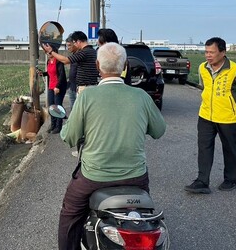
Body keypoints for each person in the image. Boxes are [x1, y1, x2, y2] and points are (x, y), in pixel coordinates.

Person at [58, 42, 166, 250]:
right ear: (125, 65)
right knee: (144, 215)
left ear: (98, 65)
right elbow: (159, 130)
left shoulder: (87, 96)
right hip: (135, 176)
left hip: (94, 177)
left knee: (69, 214)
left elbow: (69, 136)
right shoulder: (141, 96)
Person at [185, 37, 236, 194]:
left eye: (212, 52)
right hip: (205, 115)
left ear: (223, 52)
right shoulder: (203, 68)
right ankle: (202, 181)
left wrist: (234, 105)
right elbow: (204, 87)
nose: (208, 55)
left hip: (227, 117)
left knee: (230, 148)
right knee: (204, 148)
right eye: (206, 52)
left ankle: (232, 179)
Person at [38, 45, 67, 134]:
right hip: (51, 87)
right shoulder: (48, 61)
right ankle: (53, 125)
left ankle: (59, 127)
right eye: (47, 52)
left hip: (58, 87)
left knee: (57, 107)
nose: (48, 54)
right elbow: (50, 73)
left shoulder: (58, 61)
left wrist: (57, 86)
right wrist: (43, 73)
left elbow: (61, 75)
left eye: (50, 52)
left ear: (54, 52)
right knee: (51, 107)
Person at [65, 35, 78, 111]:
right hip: (72, 87)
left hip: (77, 88)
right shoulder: (74, 55)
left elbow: (65, 60)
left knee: (76, 110)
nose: (68, 48)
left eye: (69, 45)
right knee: (72, 109)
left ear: (75, 44)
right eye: (67, 46)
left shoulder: (79, 55)